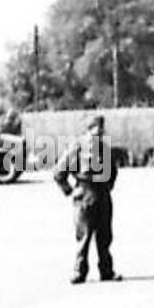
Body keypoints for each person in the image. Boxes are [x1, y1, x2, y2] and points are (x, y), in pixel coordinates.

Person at [53, 114, 121, 284]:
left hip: (103, 196)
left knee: (105, 237)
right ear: (89, 129)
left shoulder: (106, 148)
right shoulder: (77, 147)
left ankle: (107, 271)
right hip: (85, 195)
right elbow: (59, 172)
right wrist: (70, 191)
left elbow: (113, 171)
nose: (99, 133)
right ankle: (79, 272)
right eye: (96, 129)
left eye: (101, 130)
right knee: (83, 237)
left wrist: (107, 188)